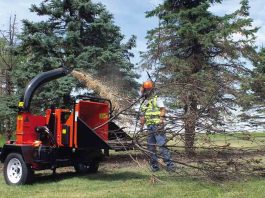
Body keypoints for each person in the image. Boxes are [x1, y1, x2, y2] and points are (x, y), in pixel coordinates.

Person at [139, 80, 175, 172]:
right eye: (145, 90)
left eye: (147, 90)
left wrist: (161, 121)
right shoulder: (143, 102)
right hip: (149, 126)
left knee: (162, 146)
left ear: (151, 90)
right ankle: (154, 167)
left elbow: (163, 109)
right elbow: (143, 116)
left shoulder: (156, 98)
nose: (145, 91)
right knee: (151, 147)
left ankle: (170, 166)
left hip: (157, 126)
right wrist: (141, 127)